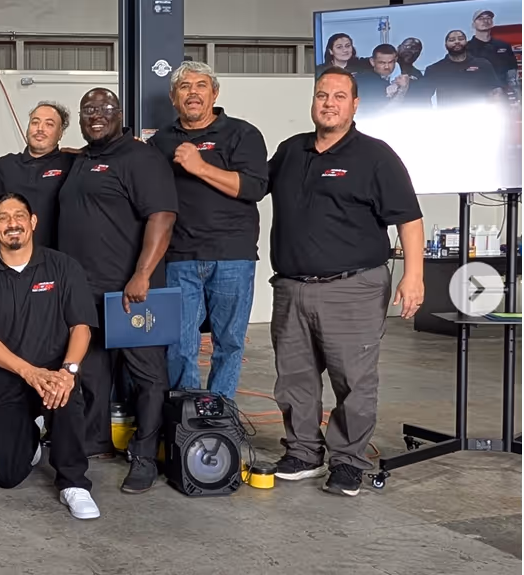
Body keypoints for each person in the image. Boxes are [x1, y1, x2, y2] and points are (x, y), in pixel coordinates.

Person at [266, 67, 424, 497]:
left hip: (353, 287)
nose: (329, 103)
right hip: (292, 287)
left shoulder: (375, 156)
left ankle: (349, 461)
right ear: (313, 102)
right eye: (322, 95)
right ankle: (303, 452)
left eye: (339, 96)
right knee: (294, 378)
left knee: (353, 379)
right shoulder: (291, 151)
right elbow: (247, 187)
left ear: (355, 105)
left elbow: (409, 219)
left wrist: (414, 277)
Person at [57, 88, 176, 493]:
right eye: (88, 109)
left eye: (105, 109)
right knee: (91, 373)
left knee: (147, 375)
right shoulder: (85, 159)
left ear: (119, 114)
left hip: (129, 292)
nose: (96, 115)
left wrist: (142, 274)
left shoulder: (140, 158)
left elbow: (161, 216)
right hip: (84, 293)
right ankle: (95, 442)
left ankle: (144, 455)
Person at [0, 192, 98, 519]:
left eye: (19, 216)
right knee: (7, 476)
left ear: (33, 222)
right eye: (4, 218)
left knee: (66, 396)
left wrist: (68, 371)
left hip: (55, 377)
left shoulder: (63, 266)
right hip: (8, 383)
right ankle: (31, 432)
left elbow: (81, 325)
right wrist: (29, 373)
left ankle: (74, 483)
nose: (13, 224)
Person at [149, 62, 268, 400]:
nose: (193, 93)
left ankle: (220, 413)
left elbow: (253, 187)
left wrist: (200, 166)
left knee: (229, 343)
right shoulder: (162, 141)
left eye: (201, 86)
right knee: (178, 344)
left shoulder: (242, 134)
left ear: (214, 93)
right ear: (174, 97)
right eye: (185, 87)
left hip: (232, 255)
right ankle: (186, 418)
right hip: (180, 256)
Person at [0, 102, 76, 249]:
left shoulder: (72, 164)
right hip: (10, 255)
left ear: (60, 133)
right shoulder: (4, 165)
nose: (40, 129)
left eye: (49, 124)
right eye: (35, 122)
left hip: (55, 259)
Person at [427, 30, 505, 108]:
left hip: (480, 115)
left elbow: (495, 90)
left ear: (466, 42)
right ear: (445, 45)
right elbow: (425, 96)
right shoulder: (434, 69)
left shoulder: (483, 64)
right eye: (452, 40)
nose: (457, 42)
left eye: (460, 39)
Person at [466, 9, 518, 99]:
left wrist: (517, 95)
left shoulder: (503, 46)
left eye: (488, 18)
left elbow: (512, 74)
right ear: (473, 25)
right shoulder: (466, 48)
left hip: (501, 96)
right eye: (480, 18)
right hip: (475, 98)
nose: (485, 21)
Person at [354, 44, 410, 117]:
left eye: (390, 62)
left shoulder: (400, 78)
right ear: (372, 62)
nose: (386, 67)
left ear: (396, 60)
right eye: (382, 63)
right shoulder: (365, 81)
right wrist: (402, 89)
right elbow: (385, 114)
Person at [395, 38, 430, 105]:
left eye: (417, 50)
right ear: (399, 47)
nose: (413, 52)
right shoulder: (385, 66)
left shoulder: (418, 75)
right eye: (409, 47)